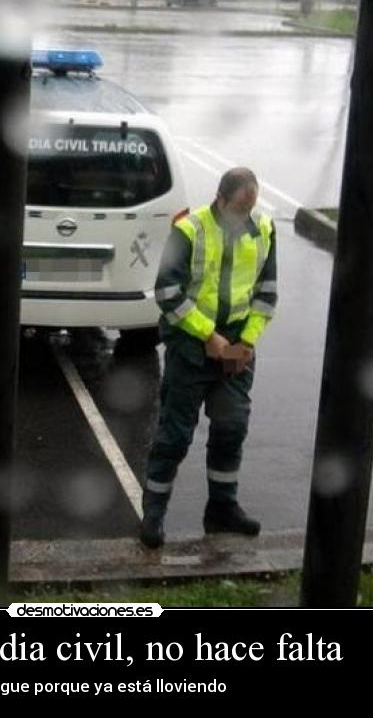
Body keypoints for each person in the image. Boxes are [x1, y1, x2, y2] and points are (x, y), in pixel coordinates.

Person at [140, 167, 277, 548]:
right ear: (220, 198)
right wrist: (209, 336)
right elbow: (167, 293)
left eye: (250, 206)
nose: (244, 213)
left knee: (231, 429)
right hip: (191, 348)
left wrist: (246, 343)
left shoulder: (263, 229)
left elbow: (267, 294)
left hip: (236, 349)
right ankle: (154, 512)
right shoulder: (190, 230)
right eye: (238, 206)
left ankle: (222, 509)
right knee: (175, 435)